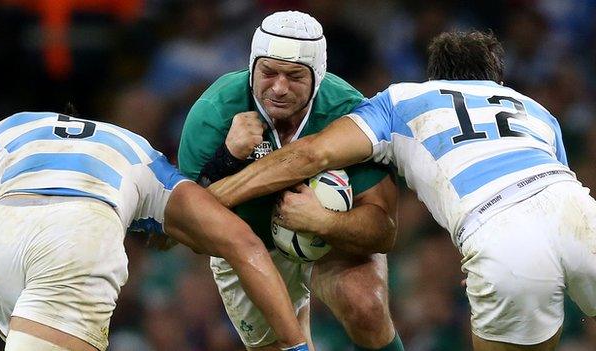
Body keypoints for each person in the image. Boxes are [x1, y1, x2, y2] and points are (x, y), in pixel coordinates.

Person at [209, 30, 596, 351]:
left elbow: (311, 154)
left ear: (434, 78)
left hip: (499, 233)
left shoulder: (402, 100)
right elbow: (543, 196)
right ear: (496, 82)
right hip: (578, 210)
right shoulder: (536, 110)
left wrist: (208, 203)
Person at [0, 111, 309, 351]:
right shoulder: (151, 164)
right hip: (77, 236)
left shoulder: (9, 129)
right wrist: (296, 345)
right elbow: (244, 243)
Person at [178, 10, 404, 351]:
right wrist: (226, 158)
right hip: (250, 245)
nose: (279, 88)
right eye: (268, 73)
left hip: (331, 235)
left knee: (366, 306)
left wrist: (323, 221)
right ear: (253, 66)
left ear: (318, 76)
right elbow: (191, 231)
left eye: (295, 76)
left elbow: (383, 231)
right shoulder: (214, 113)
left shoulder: (349, 112)